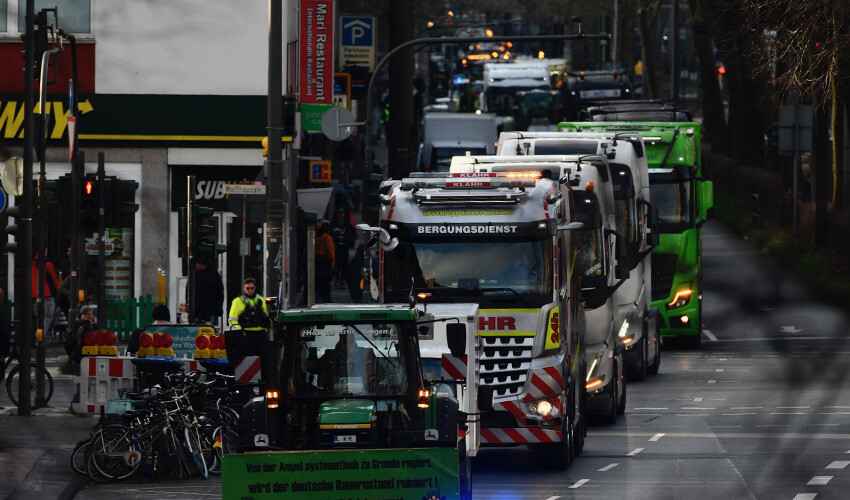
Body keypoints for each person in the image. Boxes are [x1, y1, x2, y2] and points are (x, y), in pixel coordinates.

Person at [228, 278, 270, 357]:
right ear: (244, 288)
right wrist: (240, 333)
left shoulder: (260, 299)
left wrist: (266, 331)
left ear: (255, 288)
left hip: (260, 334)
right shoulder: (238, 301)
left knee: (263, 359)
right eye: (247, 288)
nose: (250, 290)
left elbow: (265, 316)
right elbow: (232, 320)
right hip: (246, 334)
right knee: (247, 359)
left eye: (252, 288)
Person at [187, 257, 224, 326]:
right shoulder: (214, 275)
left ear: (202, 264)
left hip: (198, 311)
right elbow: (220, 293)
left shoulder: (194, 275)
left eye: (197, 263)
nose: (196, 265)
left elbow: (189, 292)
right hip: (209, 311)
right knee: (208, 330)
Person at [32, 253, 61, 336]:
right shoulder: (48, 264)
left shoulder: (31, 264)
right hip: (47, 294)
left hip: (35, 296)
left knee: (39, 318)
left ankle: (37, 336)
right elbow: (54, 279)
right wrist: (58, 291)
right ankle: (40, 337)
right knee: (48, 317)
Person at [314, 219, 335, 303]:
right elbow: (330, 250)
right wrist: (333, 260)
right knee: (325, 281)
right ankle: (326, 297)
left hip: (317, 259)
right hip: (324, 261)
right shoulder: (326, 237)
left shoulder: (316, 236)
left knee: (317, 280)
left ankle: (318, 296)